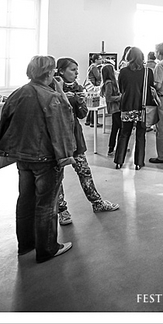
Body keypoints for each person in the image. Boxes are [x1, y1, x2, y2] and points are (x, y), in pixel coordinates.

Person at [0, 55, 75, 263]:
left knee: (25, 200)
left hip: (22, 156)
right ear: (48, 72)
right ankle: (47, 249)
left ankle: (26, 245)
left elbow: (4, 123)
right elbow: (63, 126)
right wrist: (66, 156)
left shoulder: (19, 92)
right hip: (46, 158)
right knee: (46, 205)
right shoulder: (51, 97)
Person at [55, 57, 119, 225]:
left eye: (77, 70)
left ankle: (97, 202)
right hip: (56, 138)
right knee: (57, 176)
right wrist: (62, 96)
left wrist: (80, 102)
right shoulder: (50, 88)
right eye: (73, 70)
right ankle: (62, 210)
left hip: (74, 137)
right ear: (61, 71)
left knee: (84, 171)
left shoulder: (78, 87)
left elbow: (82, 114)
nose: (76, 73)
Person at [116, 47, 157, 169]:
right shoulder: (148, 72)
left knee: (124, 133)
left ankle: (119, 161)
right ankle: (139, 162)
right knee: (140, 134)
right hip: (143, 107)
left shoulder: (123, 71)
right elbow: (151, 88)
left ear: (128, 57)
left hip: (127, 105)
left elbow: (121, 89)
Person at [101, 64, 122, 156]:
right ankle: (119, 147)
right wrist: (120, 98)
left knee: (115, 128)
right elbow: (109, 98)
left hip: (115, 108)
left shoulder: (110, 82)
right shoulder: (109, 83)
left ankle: (111, 148)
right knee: (120, 128)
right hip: (115, 108)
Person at [84, 54, 103, 127]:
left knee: (91, 105)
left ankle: (88, 120)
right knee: (94, 104)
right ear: (96, 60)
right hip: (93, 87)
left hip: (89, 87)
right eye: (100, 59)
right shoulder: (94, 67)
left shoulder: (91, 67)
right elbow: (98, 77)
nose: (101, 60)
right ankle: (93, 122)